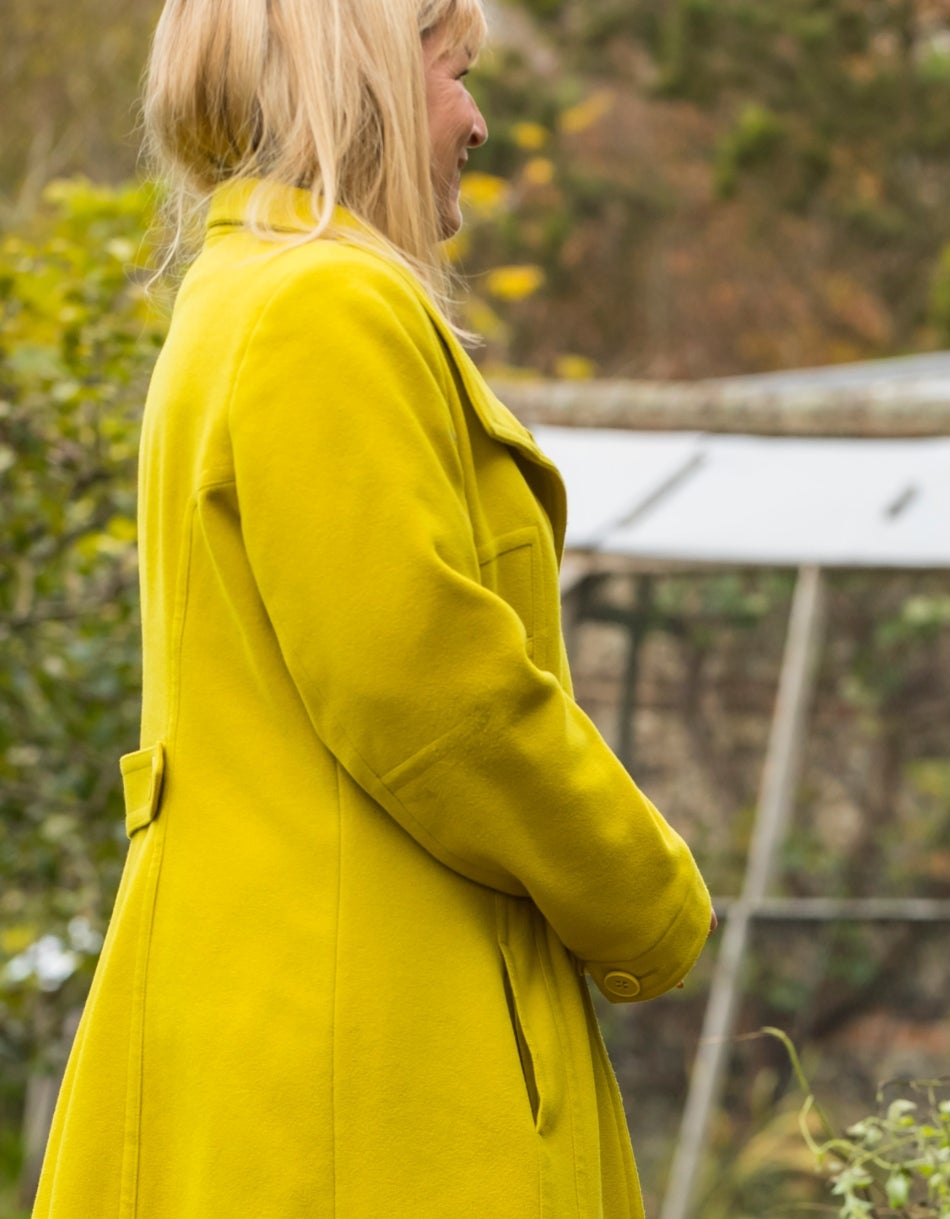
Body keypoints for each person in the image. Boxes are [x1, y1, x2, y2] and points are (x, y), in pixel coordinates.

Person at [33, 1, 714, 1214]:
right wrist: (650, 895)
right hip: (367, 1060)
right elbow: (430, 689)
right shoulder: (324, 304)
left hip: (286, 1031)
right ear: (368, 86)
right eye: (453, 74)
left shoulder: (238, 292)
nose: (477, 120)